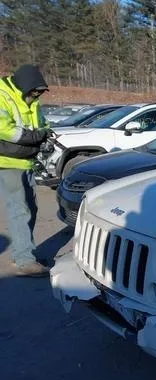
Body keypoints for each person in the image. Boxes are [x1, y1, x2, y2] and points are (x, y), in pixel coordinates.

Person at [0, 64, 53, 277]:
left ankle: (24, 253)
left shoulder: (33, 99)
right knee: (19, 211)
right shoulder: (4, 95)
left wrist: (45, 132)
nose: (37, 95)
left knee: (30, 209)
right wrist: (31, 137)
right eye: (35, 92)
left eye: (39, 92)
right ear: (26, 86)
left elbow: (41, 122)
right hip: (9, 161)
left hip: (26, 161)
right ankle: (25, 261)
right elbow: (4, 128)